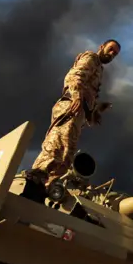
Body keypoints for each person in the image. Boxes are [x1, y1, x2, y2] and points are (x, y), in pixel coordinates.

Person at [26, 39, 121, 187]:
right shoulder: (91, 58)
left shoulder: (99, 69)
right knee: (58, 142)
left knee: (67, 156)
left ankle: (46, 185)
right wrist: (76, 96)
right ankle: (39, 173)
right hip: (71, 105)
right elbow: (75, 76)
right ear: (101, 47)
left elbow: (89, 95)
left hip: (80, 111)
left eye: (115, 53)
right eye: (110, 49)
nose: (112, 54)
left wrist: (96, 110)